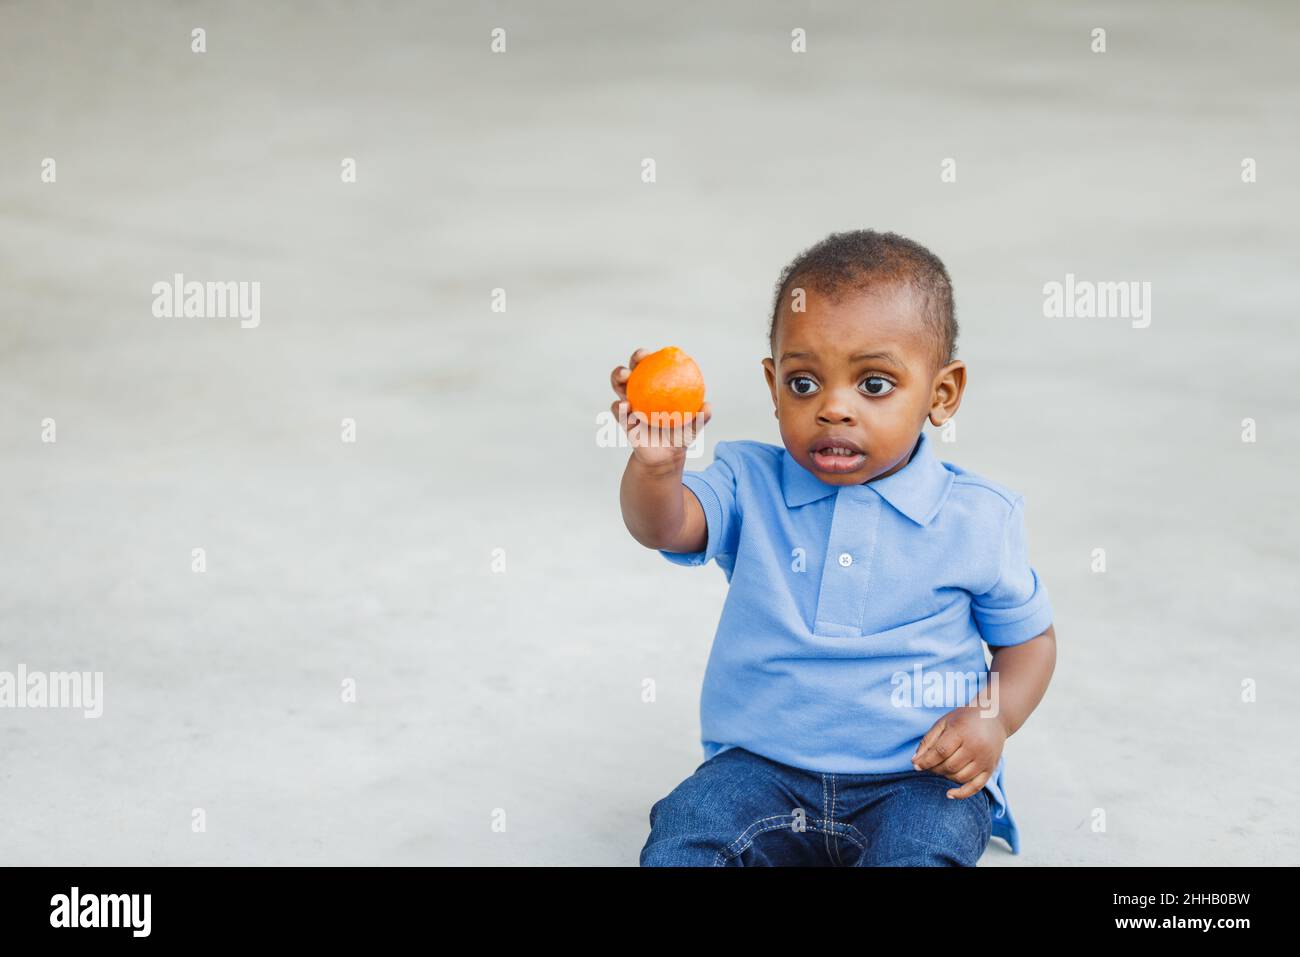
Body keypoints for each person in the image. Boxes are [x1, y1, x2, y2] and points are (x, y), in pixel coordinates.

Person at [610, 229, 1057, 866]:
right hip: (760, 772)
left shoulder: (978, 519)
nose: (833, 409)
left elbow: (1029, 644)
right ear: (771, 385)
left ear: (942, 394)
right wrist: (658, 467)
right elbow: (665, 528)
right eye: (803, 384)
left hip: (917, 778)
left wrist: (993, 717)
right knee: (686, 833)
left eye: (874, 385)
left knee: (923, 850)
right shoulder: (747, 480)